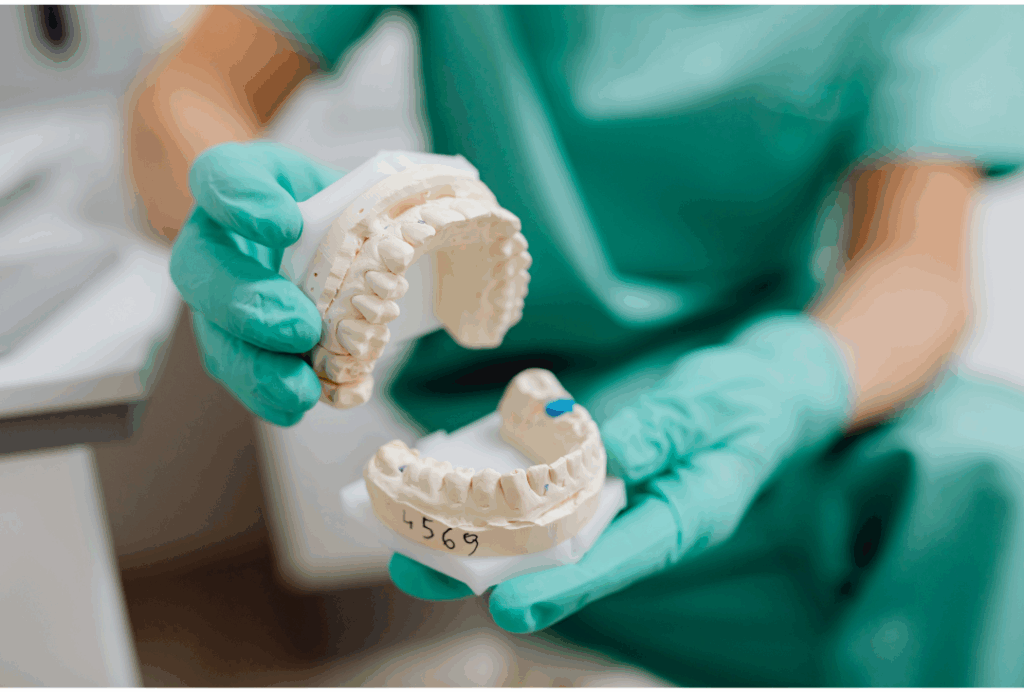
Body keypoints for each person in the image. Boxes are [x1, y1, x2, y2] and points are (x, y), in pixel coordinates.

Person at [128, 6, 1024, 685]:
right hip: (501, 401)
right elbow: (193, 88)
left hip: (783, 385)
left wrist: (793, 381)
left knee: (993, 479)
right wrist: (250, 228)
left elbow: (915, 265)